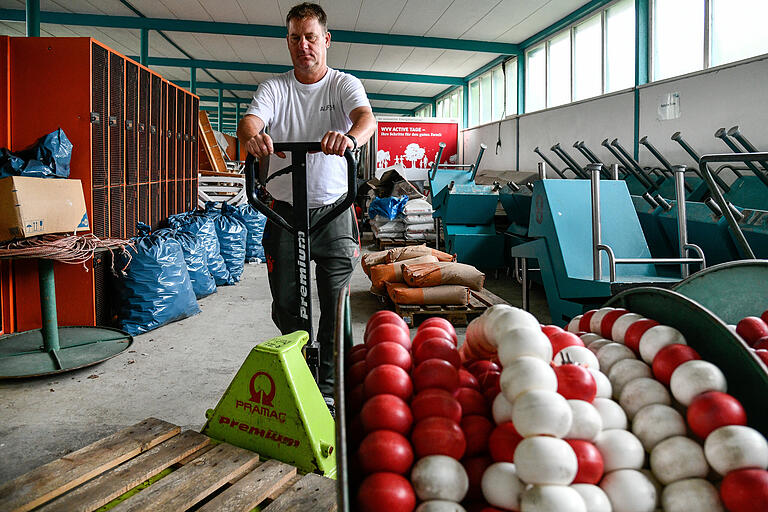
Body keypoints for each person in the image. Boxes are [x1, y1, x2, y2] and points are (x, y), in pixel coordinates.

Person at [237, 2, 376, 405]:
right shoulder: (275, 88)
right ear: (288, 42)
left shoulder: (343, 84)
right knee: (288, 305)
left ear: (326, 40)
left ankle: (331, 392)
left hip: (333, 210)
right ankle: (299, 384)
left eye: (311, 37)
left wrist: (350, 138)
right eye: (295, 38)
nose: (304, 45)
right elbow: (251, 121)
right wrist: (252, 137)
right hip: (283, 212)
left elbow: (366, 119)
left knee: (336, 306)